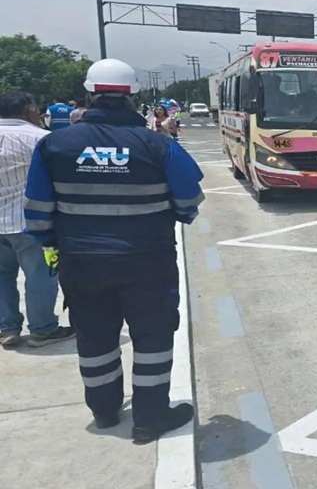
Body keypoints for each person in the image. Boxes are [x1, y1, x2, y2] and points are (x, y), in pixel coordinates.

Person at [23, 58, 205, 443]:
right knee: (153, 337)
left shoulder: (54, 145)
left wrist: (56, 244)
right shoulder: (157, 144)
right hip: (147, 260)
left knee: (94, 338)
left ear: (89, 93)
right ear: (133, 95)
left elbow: (37, 214)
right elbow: (189, 199)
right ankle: (150, 416)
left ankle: (104, 412)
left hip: (81, 261)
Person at [0, 92, 75, 348]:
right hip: (29, 222)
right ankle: (42, 328)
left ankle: (7, 327)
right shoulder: (41, 139)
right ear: (30, 110)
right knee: (40, 275)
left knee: (1, 277)